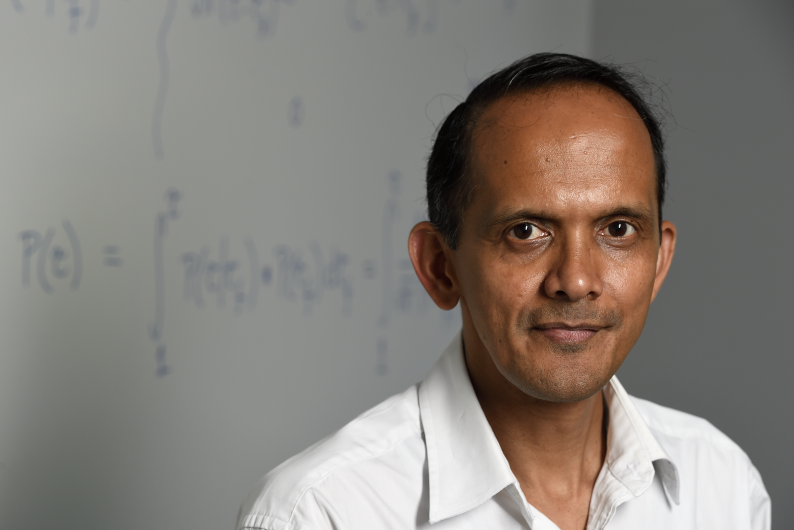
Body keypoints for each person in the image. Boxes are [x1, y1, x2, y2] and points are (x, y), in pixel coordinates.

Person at [235, 53, 771, 530]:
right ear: (441, 267)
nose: (576, 280)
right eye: (526, 232)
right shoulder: (318, 513)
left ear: (659, 262)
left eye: (618, 230)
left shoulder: (722, 485)